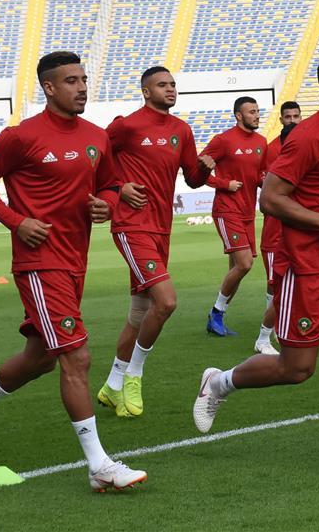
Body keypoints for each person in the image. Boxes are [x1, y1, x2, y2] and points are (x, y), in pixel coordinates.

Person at [0, 51, 147, 490]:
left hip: (74, 260)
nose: (81, 87)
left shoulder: (98, 136)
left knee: (41, 357)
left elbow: (112, 185)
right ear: (48, 87)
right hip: (39, 263)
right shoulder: (21, 137)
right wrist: (16, 221)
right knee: (76, 356)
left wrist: (109, 204)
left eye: (84, 79)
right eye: (71, 80)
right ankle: (100, 467)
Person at [193, 53, 319, 476]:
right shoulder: (307, 137)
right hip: (306, 268)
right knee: (296, 368)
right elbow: (271, 200)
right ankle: (219, 382)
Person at [97, 66, 214, 418]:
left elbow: (192, 179)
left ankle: (111, 386)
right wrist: (117, 189)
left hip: (162, 229)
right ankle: (134, 375)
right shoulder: (126, 125)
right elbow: (94, 159)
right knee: (166, 301)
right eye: (162, 85)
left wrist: (205, 167)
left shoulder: (182, 130)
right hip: (132, 226)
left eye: (173, 84)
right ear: (146, 91)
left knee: (139, 314)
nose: (170, 89)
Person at [202, 97, 267, 337]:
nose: (257, 115)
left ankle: (218, 318)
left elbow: (262, 175)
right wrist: (223, 183)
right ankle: (216, 313)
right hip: (227, 209)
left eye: (258, 111)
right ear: (239, 115)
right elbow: (198, 169)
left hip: (248, 212)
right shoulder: (223, 140)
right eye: (252, 112)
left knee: (236, 268)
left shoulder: (261, 142)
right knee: (245, 263)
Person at [253, 122, 297, 355]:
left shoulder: (299, 165)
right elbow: (267, 204)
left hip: (297, 238)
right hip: (275, 238)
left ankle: (283, 328)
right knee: (278, 287)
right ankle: (263, 337)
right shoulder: (278, 170)